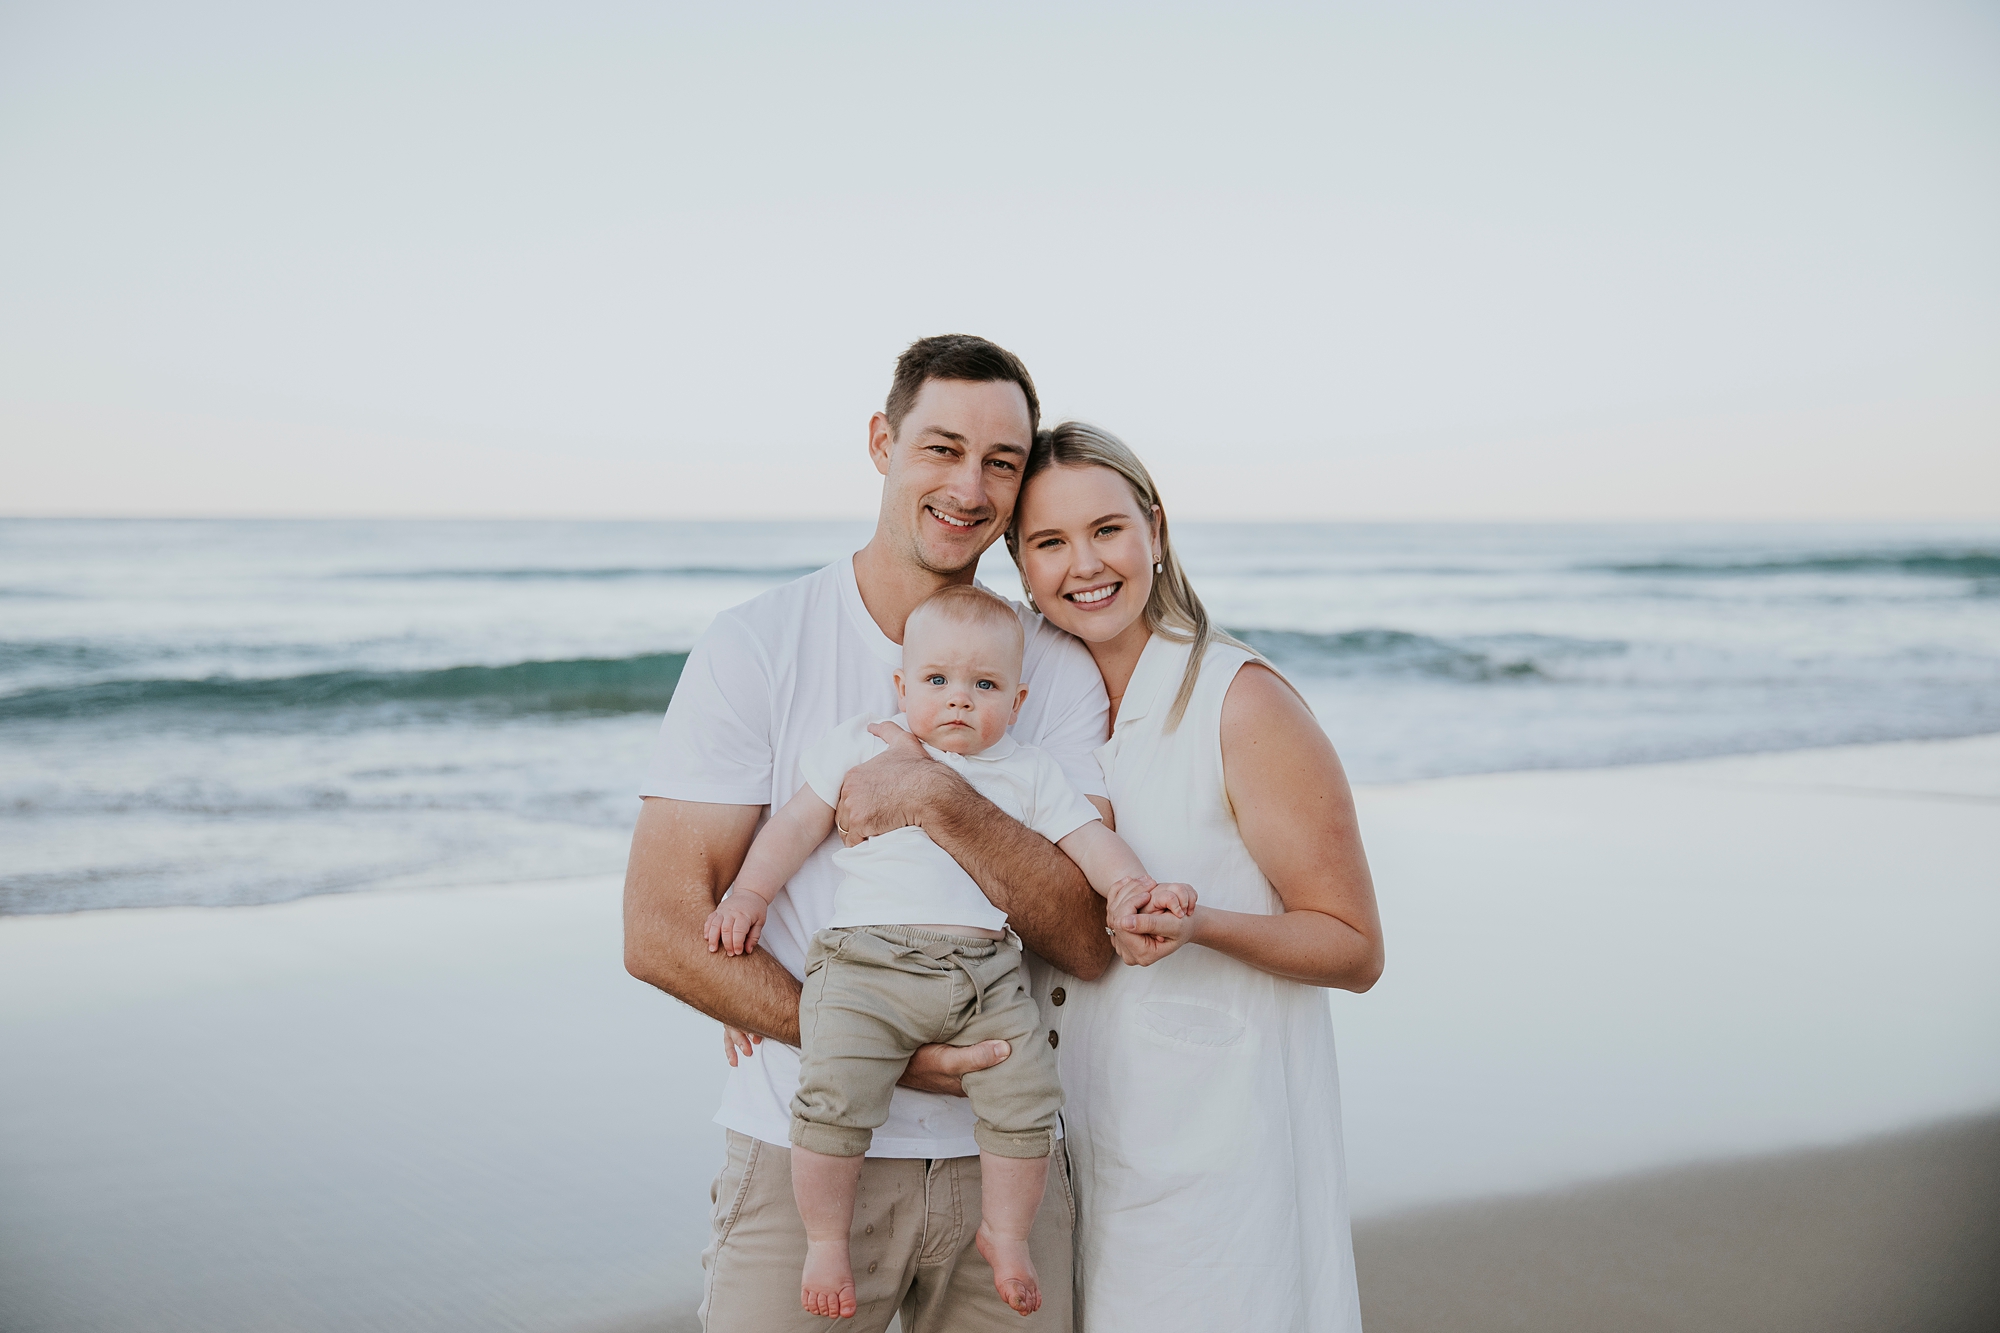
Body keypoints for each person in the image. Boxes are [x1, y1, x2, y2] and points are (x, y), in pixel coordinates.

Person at [625, 335, 1118, 1333]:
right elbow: (663, 931)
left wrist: (936, 799)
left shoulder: (1050, 667)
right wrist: (877, 1052)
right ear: (880, 441)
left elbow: (1085, 937)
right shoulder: (757, 646)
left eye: (1001, 461)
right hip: (802, 1159)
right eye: (940, 447)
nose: (968, 486)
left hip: (1004, 1165)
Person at [702, 585, 1188, 1320]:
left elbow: (1088, 841)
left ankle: (1004, 1230)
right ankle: (827, 1239)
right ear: (902, 686)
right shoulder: (861, 742)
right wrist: (748, 896)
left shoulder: (1027, 772)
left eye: (984, 685)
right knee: (833, 1094)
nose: (959, 700)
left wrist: (1128, 885)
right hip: (865, 964)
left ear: (1018, 700)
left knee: (1025, 1095)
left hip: (985, 972)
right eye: (937, 681)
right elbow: (795, 827)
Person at [1004, 421, 1385, 1332]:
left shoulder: (1240, 699)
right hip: (1060, 1155)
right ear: (1017, 562)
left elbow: (1354, 943)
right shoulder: (1007, 698)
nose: (1083, 564)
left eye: (1107, 529)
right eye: (1049, 541)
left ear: (1156, 530)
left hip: (1218, 1155)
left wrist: (1199, 921)